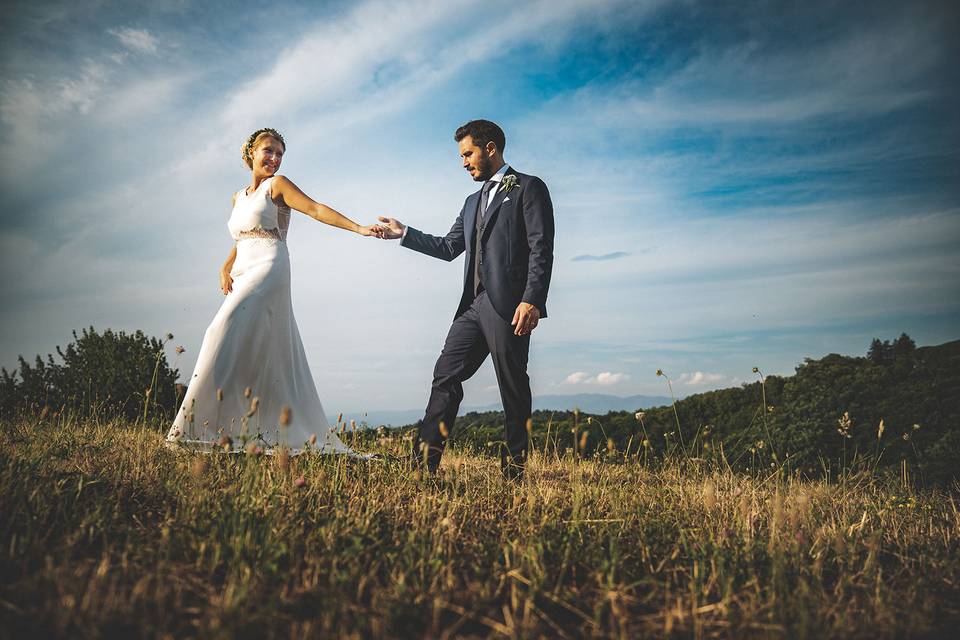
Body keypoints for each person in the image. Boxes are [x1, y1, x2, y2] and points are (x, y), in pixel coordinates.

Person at [166, 128, 382, 455]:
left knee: (219, 330)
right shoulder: (237, 197)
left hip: (270, 267)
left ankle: (201, 428)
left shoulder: (277, 186)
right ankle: (235, 430)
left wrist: (360, 228)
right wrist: (225, 267)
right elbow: (241, 238)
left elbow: (316, 209)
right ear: (250, 153)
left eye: (280, 153)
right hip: (243, 268)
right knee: (253, 346)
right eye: (268, 150)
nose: (275, 158)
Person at [378, 119, 554, 478]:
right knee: (445, 374)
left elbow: (541, 248)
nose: (463, 162)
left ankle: (513, 472)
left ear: (490, 148)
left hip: (511, 307)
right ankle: (423, 465)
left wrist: (533, 299)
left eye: (468, 153)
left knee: (512, 387)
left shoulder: (528, 188)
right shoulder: (471, 202)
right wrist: (404, 233)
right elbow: (448, 247)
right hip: (472, 308)